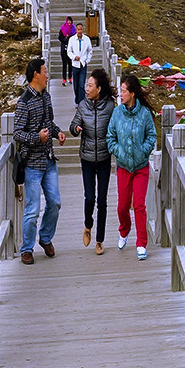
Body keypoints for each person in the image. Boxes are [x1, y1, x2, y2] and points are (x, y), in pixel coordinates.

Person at [13, 58, 66, 265]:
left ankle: (45, 238)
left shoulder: (47, 97)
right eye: (44, 71)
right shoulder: (23, 102)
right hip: (32, 165)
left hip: (49, 160)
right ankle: (27, 249)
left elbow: (48, 123)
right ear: (35, 74)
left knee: (55, 202)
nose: (47, 74)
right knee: (32, 209)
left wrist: (57, 132)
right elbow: (17, 133)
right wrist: (37, 138)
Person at [106, 75, 157, 260]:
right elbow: (110, 137)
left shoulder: (144, 114)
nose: (121, 94)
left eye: (124, 91)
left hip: (141, 167)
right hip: (123, 167)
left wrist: (144, 151)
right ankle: (124, 230)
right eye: (120, 90)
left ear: (132, 93)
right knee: (122, 206)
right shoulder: (117, 113)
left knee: (139, 205)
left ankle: (141, 244)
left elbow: (152, 136)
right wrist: (118, 151)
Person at [69, 69, 116, 255]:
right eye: (86, 85)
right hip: (87, 158)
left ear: (99, 88)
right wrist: (76, 128)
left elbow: (115, 128)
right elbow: (73, 125)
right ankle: (88, 225)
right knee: (90, 197)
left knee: (102, 200)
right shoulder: (83, 106)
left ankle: (100, 240)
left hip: (104, 158)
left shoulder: (110, 107)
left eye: (90, 85)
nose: (86, 88)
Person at [67, 21, 93, 105]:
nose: (79, 31)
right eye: (78, 29)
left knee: (82, 84)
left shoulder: (86, 39)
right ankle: (77, 100)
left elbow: (90, 51)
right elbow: (69, 51)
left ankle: (81, 102)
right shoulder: (72, 40)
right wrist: (74, 57)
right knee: (76, 85)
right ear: (76, 30)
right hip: (75, 65)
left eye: (81, 29)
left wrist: (87, 60)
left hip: (83, 64)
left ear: (83, 30)